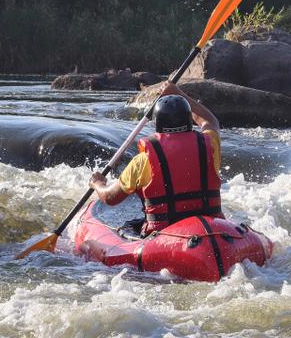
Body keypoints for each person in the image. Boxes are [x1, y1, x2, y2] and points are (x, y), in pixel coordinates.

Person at [88, 82, 224, 236]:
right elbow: (210, 121)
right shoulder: (210, 145)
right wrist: (179, 93)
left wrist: (98, 183)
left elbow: (110, 197)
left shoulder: (143, 160)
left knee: (129, 228)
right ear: (189, 121)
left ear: (158, 125)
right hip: (213, 230)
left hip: (166, 235)